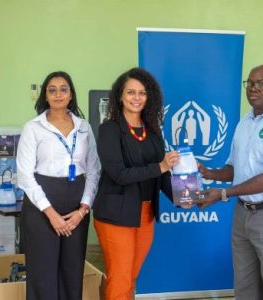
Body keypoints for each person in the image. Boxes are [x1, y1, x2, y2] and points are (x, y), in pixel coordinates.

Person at [197, 64, 263, 300]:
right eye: (250, 83)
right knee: (244, 288)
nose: (253, 88)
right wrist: (208, 173)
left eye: (261, 84)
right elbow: (235, 169)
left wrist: (223, 194)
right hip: (243, 214)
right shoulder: (245, 122)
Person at [93, 67, 180, 300]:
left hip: (145, 214)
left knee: (129, 276)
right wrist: (160, 166)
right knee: (120, 277)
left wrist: (183, 197)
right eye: (131, 92)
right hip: (116, 215)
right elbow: (119, 174)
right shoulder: (109, 129)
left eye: (142, 93)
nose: (136, 98)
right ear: (120, 95)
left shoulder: (152, 131)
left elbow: (161, 175)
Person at [17, 71, 101, 300]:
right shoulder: (33, 128)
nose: (58, 94)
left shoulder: (84, 128)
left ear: (71, 94)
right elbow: (24, 175)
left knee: (72, 270)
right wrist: (51, 213)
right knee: (42, 272)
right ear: (45, 95)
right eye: (52, 90)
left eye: (63, 89)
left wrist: (83, 209)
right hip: (41, 203)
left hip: (77, 201)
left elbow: (94, 170)